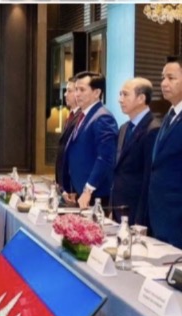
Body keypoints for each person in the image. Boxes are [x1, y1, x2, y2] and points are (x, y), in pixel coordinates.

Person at [61, 71, 117, 209]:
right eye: (76, 89)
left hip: (95, 194)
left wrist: (88, 189)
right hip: (79, 191)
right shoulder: (83, 115)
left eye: (82, 90)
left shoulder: (103, 117)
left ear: (97, 92)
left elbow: (105, 158)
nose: (77, 94)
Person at [109, 77, 160, 225]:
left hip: (137, 211)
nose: (120, 99)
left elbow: (148, 178)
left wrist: (140, 218)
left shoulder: (153, 129)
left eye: (125, 94)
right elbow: (118, 170)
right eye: (120, 94)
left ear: (141, 98)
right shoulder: (124, 128)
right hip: (119, 208)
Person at [143, 56, 182, 246]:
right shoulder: (170, 114)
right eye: (163, 78)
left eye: (171, 78)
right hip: (160, 214)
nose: (164, 83)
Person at [55, 79, 83, 195]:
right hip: (63, 180)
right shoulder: (70, 116)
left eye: (69, 91)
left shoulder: (81, 117)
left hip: (73, 184)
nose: (65, 94)